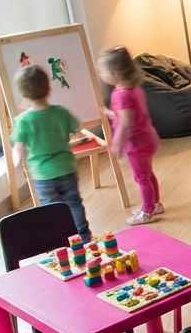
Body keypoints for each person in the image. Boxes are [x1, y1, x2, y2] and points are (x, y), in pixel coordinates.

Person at [9, 65, 92, 242]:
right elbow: (76, 128)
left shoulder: (23, 120)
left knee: (51, 209)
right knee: (74, 203)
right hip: (66, 168)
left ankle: (61, 240)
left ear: (23, 94)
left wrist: (16, 159)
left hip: (42, 174)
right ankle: (84, 237)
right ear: (49, 88)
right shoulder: (61, 112)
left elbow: (18, 146)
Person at [96, 47, 162, 226]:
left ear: (114, 73)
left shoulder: (122, 94)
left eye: (101, 71)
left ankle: (147, 210)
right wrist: (111, 113)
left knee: (141, 176)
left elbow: (126, 123)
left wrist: (117, 143)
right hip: (147, 137)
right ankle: (155, 204)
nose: (100, 74)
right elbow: (130, 113)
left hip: (137, 143)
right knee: (147, 173)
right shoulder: (131, 88)